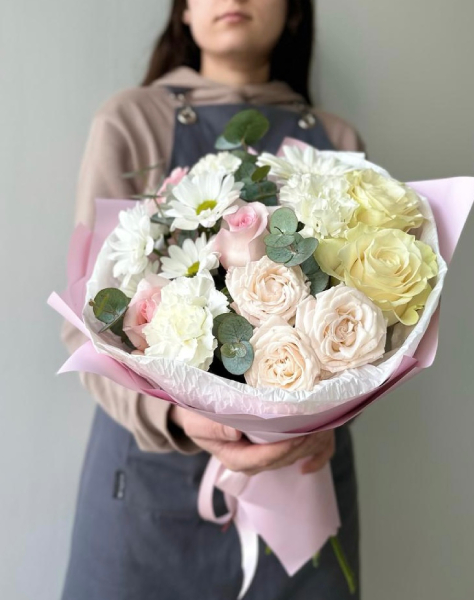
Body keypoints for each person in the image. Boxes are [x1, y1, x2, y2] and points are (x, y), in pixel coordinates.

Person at [61, 1, 363, 598]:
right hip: (150, 491)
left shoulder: (336, 141)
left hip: (301, 485)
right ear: (183, 12)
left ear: (294, 12)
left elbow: (372, 316)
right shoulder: (131, 120)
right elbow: (85, 327)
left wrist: (335, 412)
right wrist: (176, 415)